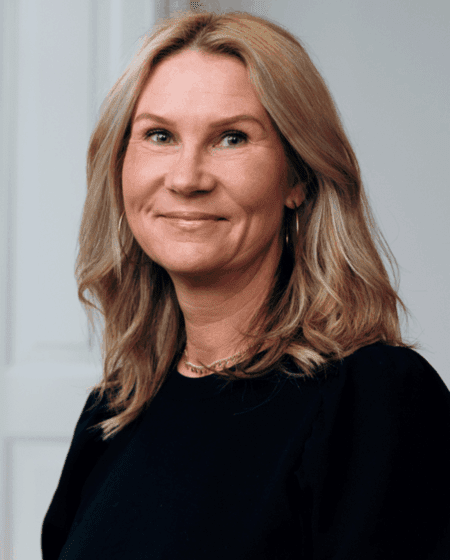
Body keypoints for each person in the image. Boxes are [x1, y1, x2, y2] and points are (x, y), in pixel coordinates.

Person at [41, 8, 450, 560]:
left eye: (231, 138)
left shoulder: (374, 398)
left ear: (298, 177)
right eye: (160, 135)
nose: (186, 178)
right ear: (120, 167)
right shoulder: (113, 412)